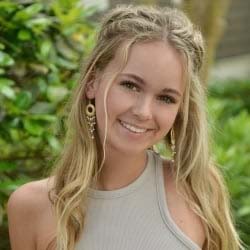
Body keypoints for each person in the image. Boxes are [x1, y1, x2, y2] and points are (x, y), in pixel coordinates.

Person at [7, 4, 243, 250]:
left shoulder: (197, 187)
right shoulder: (30, 207)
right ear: (92, 83)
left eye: (166, 98)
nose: (143, 112)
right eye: (131, 85)